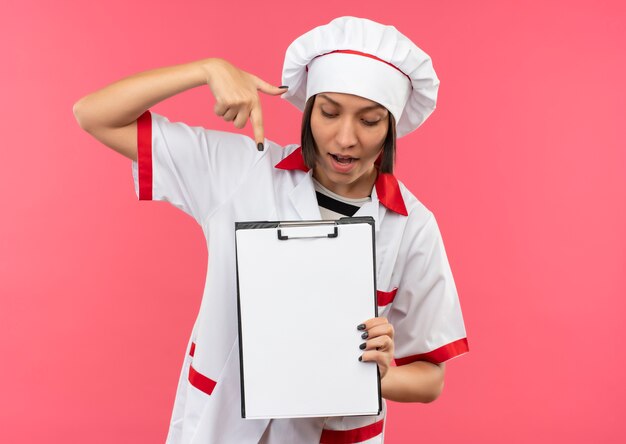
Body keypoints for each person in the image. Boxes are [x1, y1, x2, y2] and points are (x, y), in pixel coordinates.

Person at [74, 16, 468, 444]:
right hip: (220, 425)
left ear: (391, 126)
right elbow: (95, 116)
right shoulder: (240, 172)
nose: (345, 137)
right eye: (329, 112)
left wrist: (382, 376)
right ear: (310, 109)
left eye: (370, 121)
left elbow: (431, 380)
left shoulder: (414, 226)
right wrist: (206, 69)